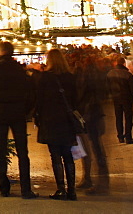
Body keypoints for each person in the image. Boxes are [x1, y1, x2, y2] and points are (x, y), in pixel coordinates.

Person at [0, 41, 37, 199]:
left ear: (0, 52)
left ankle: (3, 188)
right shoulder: (20, 71)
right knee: (22, 152)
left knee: (1, 151)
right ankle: (26, 189)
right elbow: (31, 93)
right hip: (17, 114)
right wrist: (26, 110)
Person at [33, 48, 79, 200]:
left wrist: (37, 117)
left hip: (50, 120)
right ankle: (72, 190)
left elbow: (39, 100)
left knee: (55, 156)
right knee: (68, 155)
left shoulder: (45, 78)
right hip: (66, 121)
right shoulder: (70, 77)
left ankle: (61, 189)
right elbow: (76, 101)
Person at [75, 51, 111, 195]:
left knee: (95, 148)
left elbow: (85, 96)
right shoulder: (98, 75)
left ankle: (100, 182)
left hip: (90, 116)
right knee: (95, 148)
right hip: (94, 115)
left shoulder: (88, 77)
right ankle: (95, 180)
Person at [107, 55, 133, 144]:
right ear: (124, 63)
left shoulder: (110, 74)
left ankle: (120, 137)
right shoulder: (127, 74)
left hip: (116, 99)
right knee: (128, 118)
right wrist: (132, 97)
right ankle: (128, 137)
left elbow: (107, 87)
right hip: (126, 98)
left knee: (118, 118)